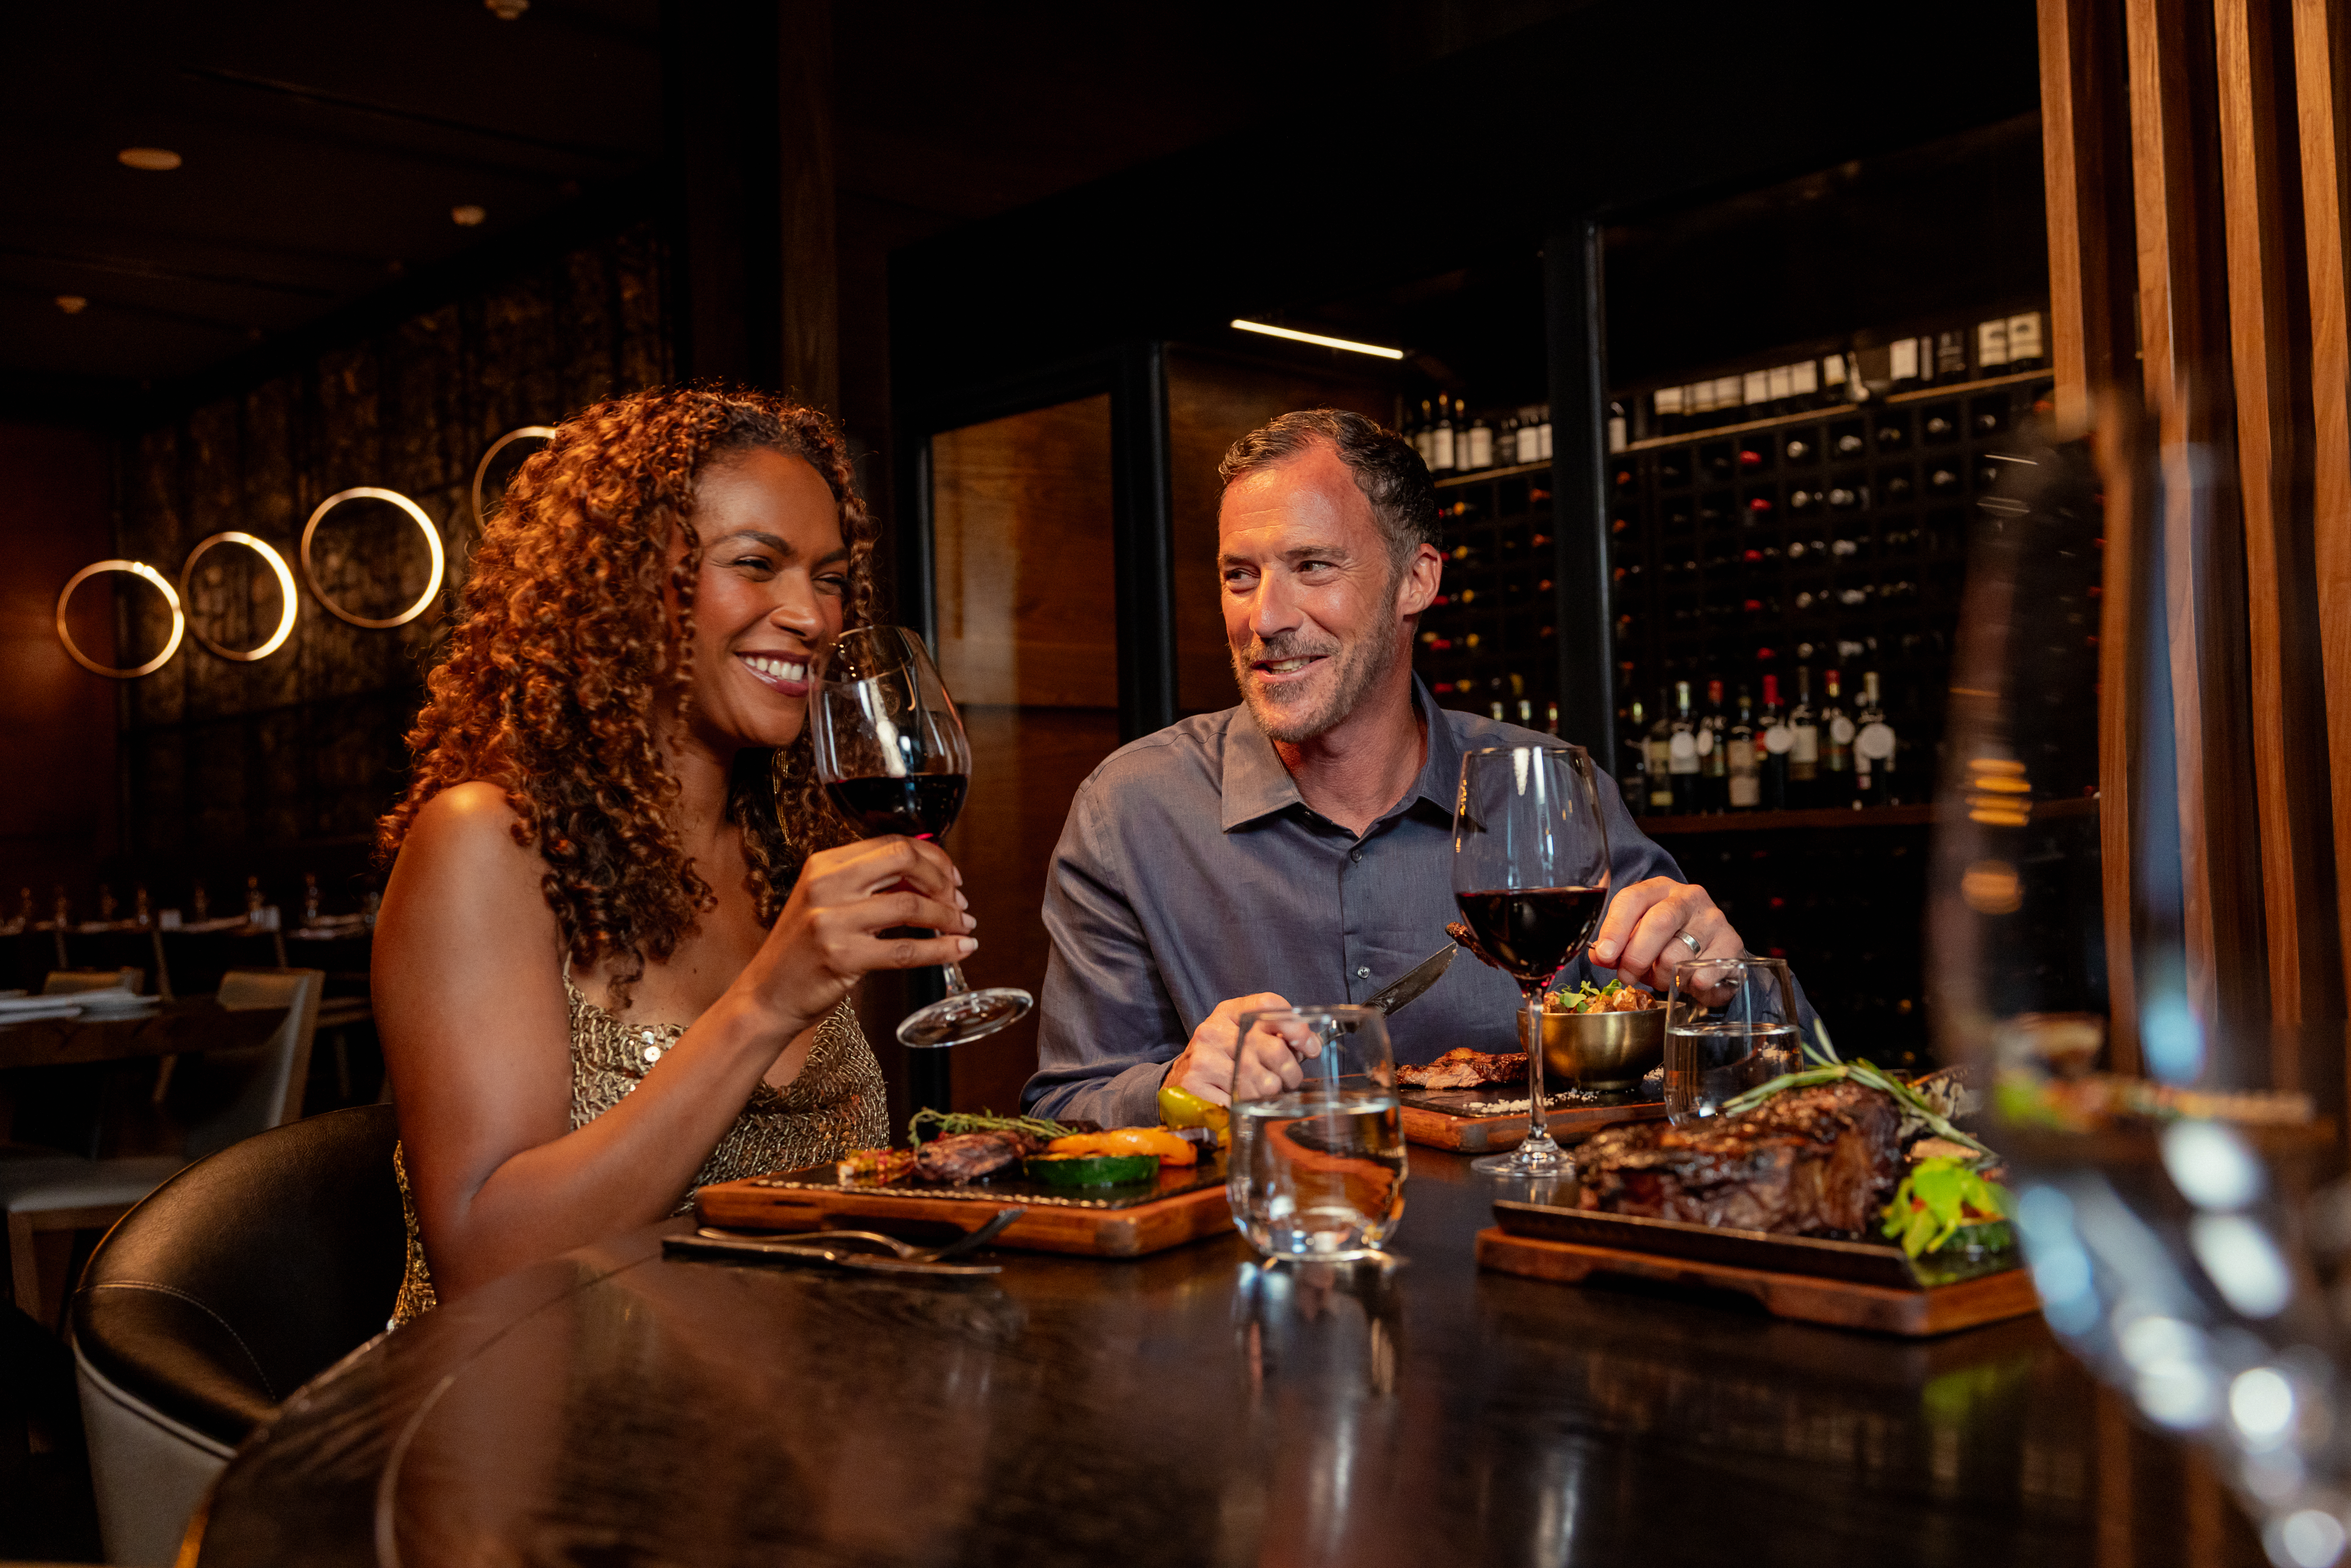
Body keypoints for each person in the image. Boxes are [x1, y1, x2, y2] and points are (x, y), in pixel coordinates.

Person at [1023, 408, 1809, 1128]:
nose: (1265, 618)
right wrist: (1177, 1086)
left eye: (1314, 567)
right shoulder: (1130, 811)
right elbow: (1063, 1107)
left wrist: (1727, 986)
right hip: (1266, 1261)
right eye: (1240, 576)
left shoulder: (1547, 786)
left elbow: (1785, 1085)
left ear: (1417, 580)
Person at [372, 387, 976, 1319]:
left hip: (775, 1396)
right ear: (618, 580)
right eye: (756, 564)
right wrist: (766, 1002)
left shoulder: (787, 844)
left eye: (826, 576)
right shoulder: (486, 842)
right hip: (524, 1414)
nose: (811, 617)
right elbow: (485, 1265)